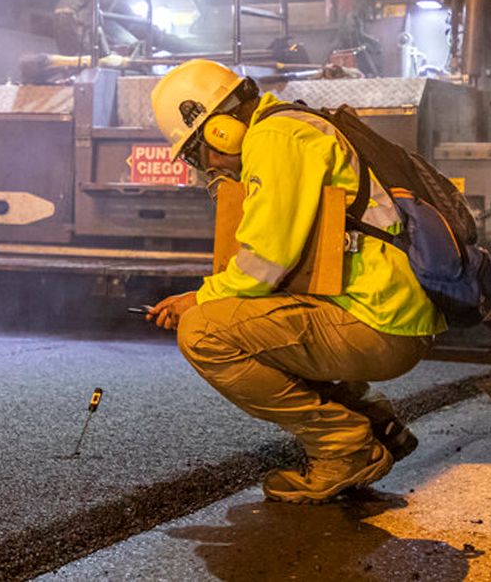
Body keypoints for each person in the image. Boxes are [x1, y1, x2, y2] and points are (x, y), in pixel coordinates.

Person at [147, 59, 440, 504]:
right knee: (250, 320)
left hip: (379, 324)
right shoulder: (292, 125)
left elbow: (265, 262)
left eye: (196, 153)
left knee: (203, 331)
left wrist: (198, 298)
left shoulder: (275, 138)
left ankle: (344, 448)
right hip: (389, 315)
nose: (207, 167)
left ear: (217, 131)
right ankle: (372, 423)